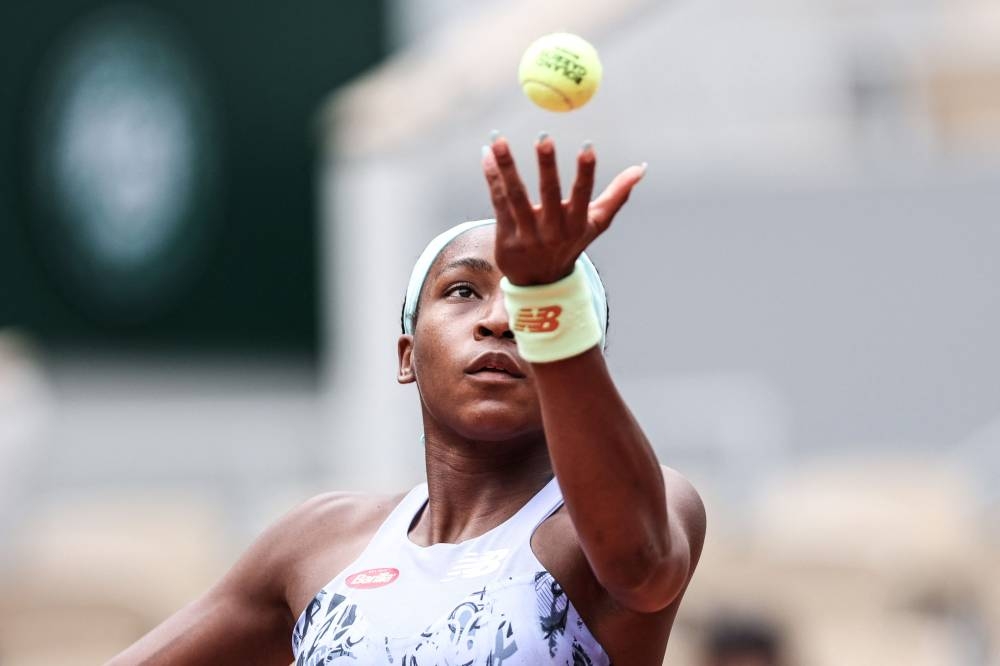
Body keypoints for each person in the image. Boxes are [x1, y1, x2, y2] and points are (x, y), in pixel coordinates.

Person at [109, 134, 706, 665]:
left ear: (581, 362)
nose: (501, 319)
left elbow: (642, 568)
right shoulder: (317, 541)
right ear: (406, 355)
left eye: (534, 304)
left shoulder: (637, 513)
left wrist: (551, 301)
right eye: (465, 290)